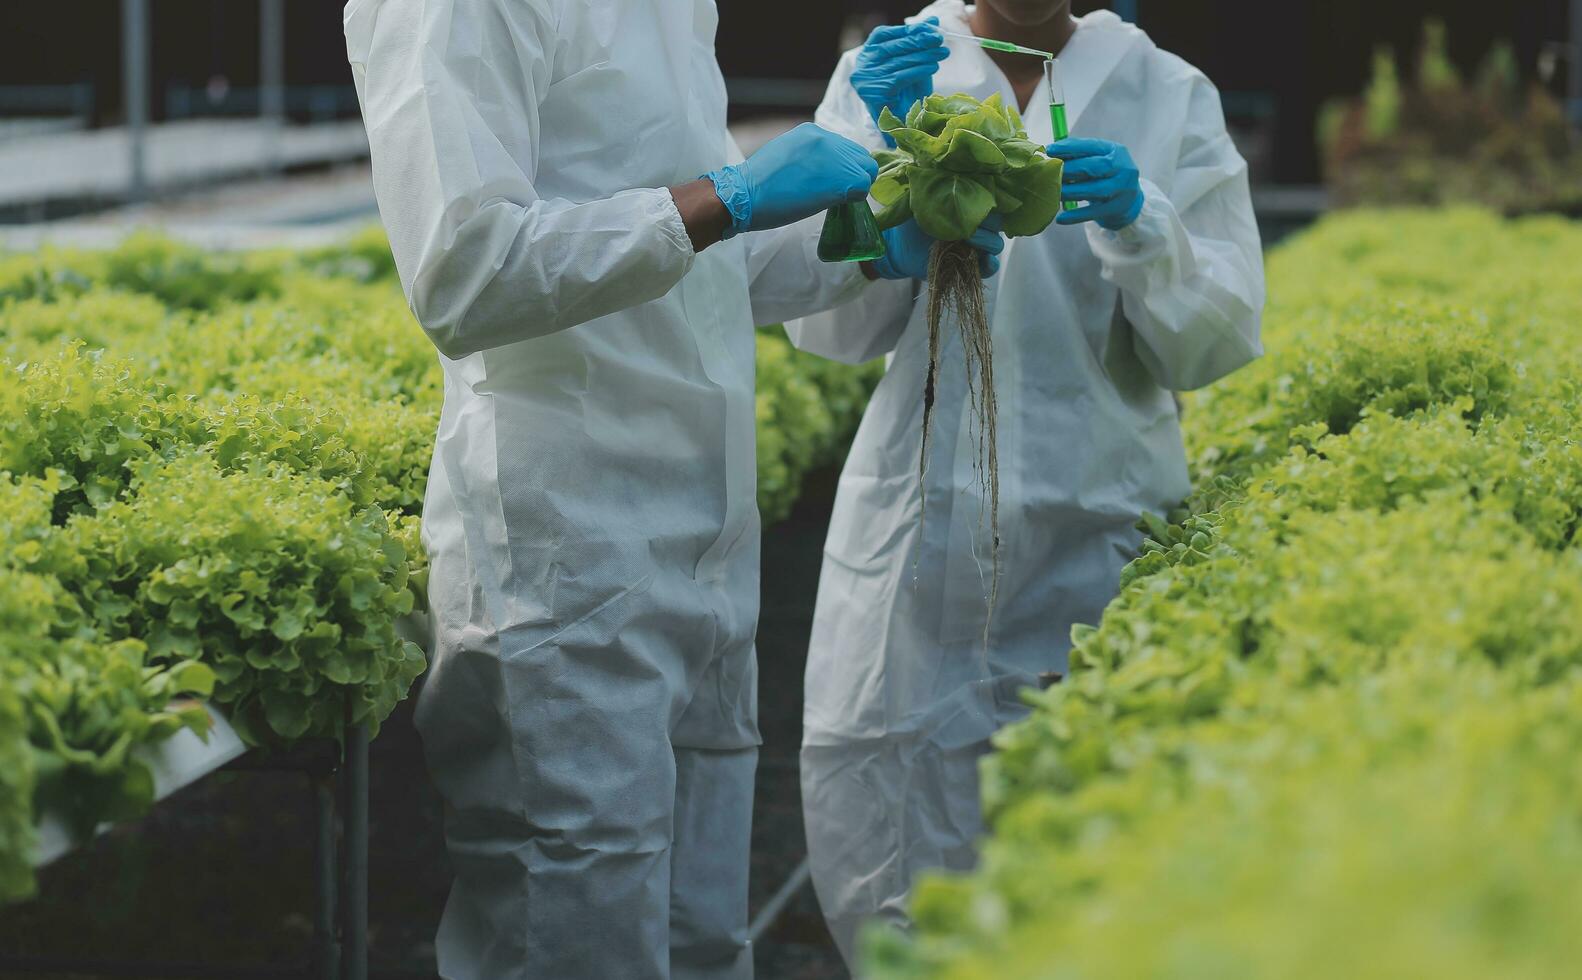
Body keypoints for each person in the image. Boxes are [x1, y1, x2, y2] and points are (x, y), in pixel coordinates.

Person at [342, 1, 1003, 977]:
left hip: (704, 537)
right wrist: (726, 192)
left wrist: (865, 240)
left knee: (699, 934)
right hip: (567, 548)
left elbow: (707, 267)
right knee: (572, 923)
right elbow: (466, 272)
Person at [787, 0, 1266, 964]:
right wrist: (871, 206)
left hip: (1104, 522)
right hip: (923, 525)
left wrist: (1147, 224)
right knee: (894, 801)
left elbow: (1217, 340)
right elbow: (822, 329)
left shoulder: (1164, 91)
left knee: (1093, 823)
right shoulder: (894, 71)